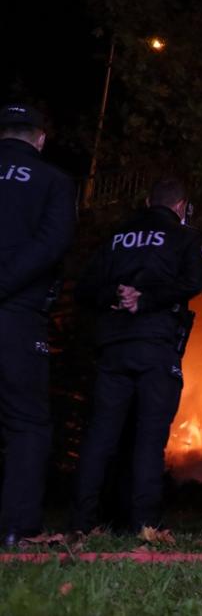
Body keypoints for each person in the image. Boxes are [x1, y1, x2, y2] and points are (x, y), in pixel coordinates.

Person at [71, 178, 202, 533]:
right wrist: (145, 300)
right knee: (150, 438)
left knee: (101, 436)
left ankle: (82, 522)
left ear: (149, 201)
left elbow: (83, 286)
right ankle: (143, 524)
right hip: (155, 345)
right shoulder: (185, 237)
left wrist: (115, 296)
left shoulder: (116, 237)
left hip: (113, 347)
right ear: (180, 206)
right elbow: (194, 281)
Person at [0, 104, 76, 547]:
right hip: (18, 315)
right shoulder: (52, 181)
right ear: (41, 138)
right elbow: (53, 243)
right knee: (26, 422)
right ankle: (17, 529)